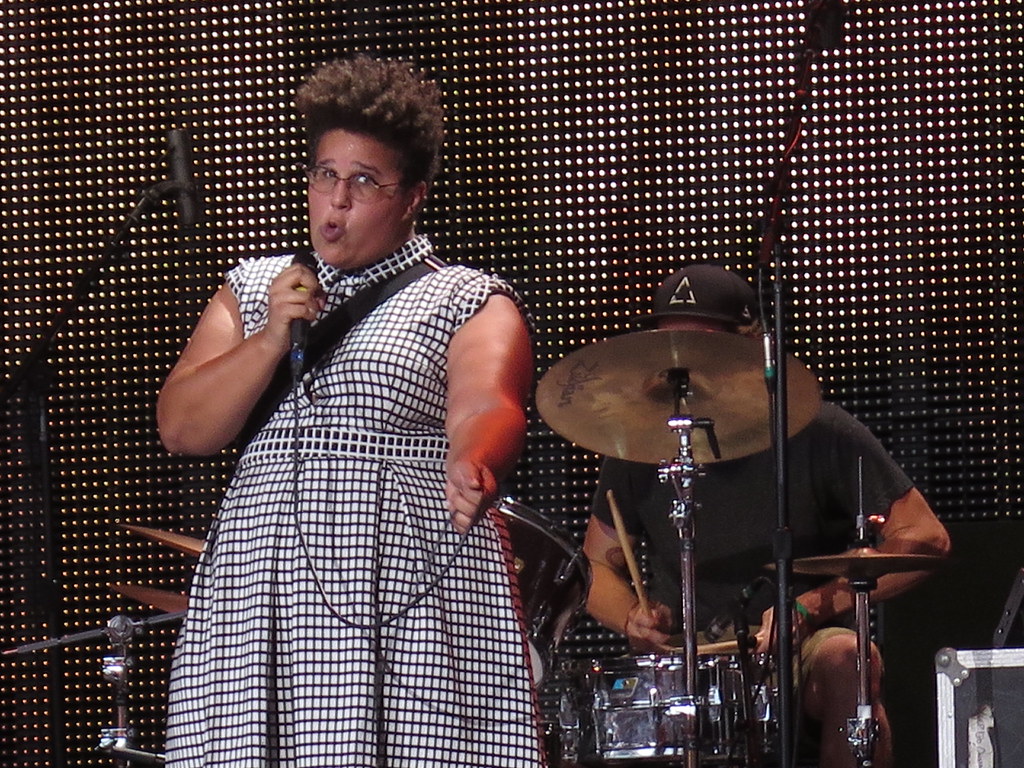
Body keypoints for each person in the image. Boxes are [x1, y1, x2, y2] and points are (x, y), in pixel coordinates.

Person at [156, 55, 545, 767]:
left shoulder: (465, 297)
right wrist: (273, 335)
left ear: (413, 196)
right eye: (324, 175)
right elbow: (182, 426)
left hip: (402, 580)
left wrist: (475, 459)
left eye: (364, 182)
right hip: (260, 588)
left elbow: (488, 401)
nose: (335, 201)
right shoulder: (255, 288)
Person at [582, 263, 951, 768]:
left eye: (703, 348)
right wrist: (631, 616)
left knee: (850, 658)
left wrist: (810, 608)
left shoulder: (814, 428)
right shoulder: (638, 442)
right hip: (685, 655)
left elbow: (926, 538)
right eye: (672, 350)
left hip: (794, 642)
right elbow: (597, 564)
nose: (685, 365)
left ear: (748, 347)